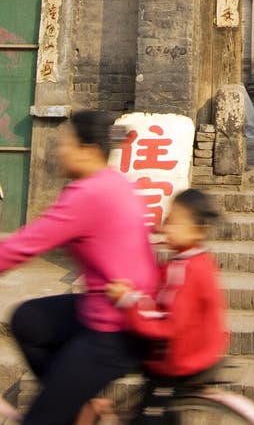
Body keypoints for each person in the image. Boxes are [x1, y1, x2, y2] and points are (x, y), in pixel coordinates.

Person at [0, 109, 159, 425]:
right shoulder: (114, 182)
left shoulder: (88, 194)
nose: (58, 151)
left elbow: (24, 245)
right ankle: (75, 403)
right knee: (27, 319)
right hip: (116, 306)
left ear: (88, 151)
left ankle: (60, 409)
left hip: (115, 327)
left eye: (66, 144)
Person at [105, 188, 229, 423]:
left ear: (197, 230)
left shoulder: (187, 270)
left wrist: (128, 301)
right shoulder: (192, 260)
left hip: (180, 359)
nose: (166, 227)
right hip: (196, 352)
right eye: (168, 219)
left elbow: (169, 323)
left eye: (175, 222)